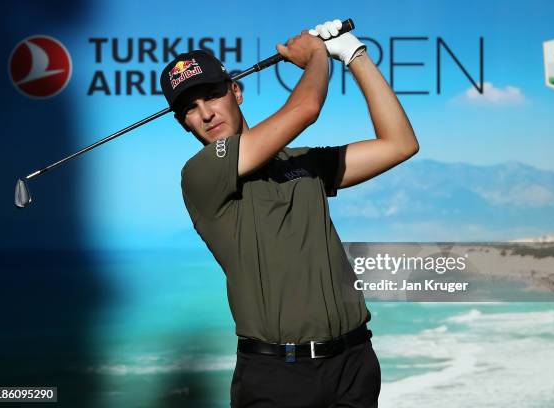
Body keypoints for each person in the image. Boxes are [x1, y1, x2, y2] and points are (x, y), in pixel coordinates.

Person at [160, 19, 419, 408]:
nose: (207, 114)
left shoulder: (304, 162)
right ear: (184, 124)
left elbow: (400, 143)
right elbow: (306, 108)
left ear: (236, 91)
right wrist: (317, 55)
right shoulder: (200, 173)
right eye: (191, 109)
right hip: (276, 379)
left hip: (353, 365)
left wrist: (353, 54)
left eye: (212, 96)